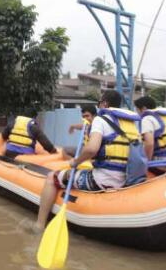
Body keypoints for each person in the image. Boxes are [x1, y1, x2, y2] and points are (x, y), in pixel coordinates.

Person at [35, 90, 144, 231]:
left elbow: (92, 149)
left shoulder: (100, 120)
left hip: (103, 179)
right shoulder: (131, 124)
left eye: (100, 102)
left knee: (51, 177)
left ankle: (39, 225)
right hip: (126, 179)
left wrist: (75, 162)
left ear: (105, 103)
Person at [133, 96, 166, 175]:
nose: (137, 112)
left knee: (136, 170)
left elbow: (149, 143)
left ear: (143, 109)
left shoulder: (147, 119)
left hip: (164, 163)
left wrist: (146, 163)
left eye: (137, 109)